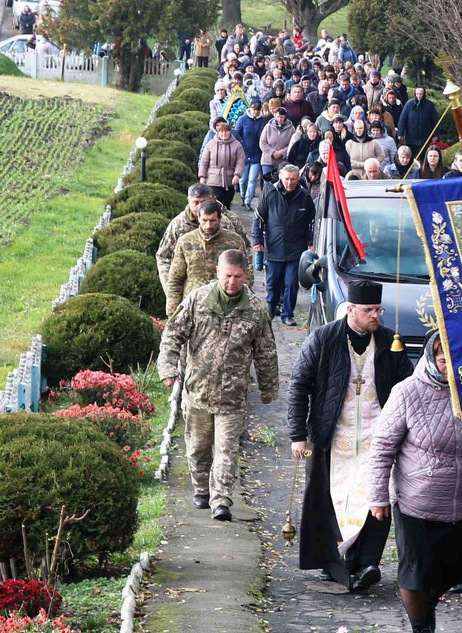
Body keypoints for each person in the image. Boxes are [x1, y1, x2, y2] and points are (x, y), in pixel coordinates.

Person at [366, 331, 462, 633]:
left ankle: (425, 608)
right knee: (414, 572)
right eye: (443, 357)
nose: (450, 365)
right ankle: (421, 630)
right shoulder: (407, 392)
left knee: (448, 571)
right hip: (415, 498)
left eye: (455, 357)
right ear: (432, 358)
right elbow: (382, 449)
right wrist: (377, 497)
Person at [288, 279, 409, 591]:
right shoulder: (323, 339)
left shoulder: (388, 342)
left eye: (378, 310)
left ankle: (367, 562)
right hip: (331, 434)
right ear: (351, 309)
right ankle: (335, 564)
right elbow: (299, 385)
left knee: (376, 496)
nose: (375, 315)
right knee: (331, 499)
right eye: (368, 310)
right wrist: (297, 434)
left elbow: (406, 386)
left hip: (376, 435)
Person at [159, 250, 279, 520]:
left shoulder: (256, 311)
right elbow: (173, 334)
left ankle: (221, 499)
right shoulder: (198, 300)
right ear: (217, 272)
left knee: (227, 449)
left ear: (245, 276)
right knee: (198, 448)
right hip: (198, 391)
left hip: (233, 396)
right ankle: (202, 489)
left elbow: (266, 352)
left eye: (237, 277)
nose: (232, 282)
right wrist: (168, 369)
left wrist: (268, 387)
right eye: (227, 276)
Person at [253, 164, 316, 326]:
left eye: (293, 179)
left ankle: (288, 313)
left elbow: (312, 222)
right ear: (281, 177)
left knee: (291, 283)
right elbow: (259, 218)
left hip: (296, 249)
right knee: (273, 282)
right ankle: (270, 307)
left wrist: (310, 242)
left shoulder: (304, 196)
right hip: (274, 247)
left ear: (298, 179)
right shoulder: (269, 192)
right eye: (287, 179)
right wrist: (257, 241)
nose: (289, 182)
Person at [163, 201, 245, 316]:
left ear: (220, 219)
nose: (208, 226)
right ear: (198, 218)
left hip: (225, 308)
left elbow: (245, 277)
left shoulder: (234, 241)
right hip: (193, 307)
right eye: (204, 220)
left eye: (212, 221)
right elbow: (176, 280)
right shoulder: (185, 242)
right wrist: (172, 313)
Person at [197, 119, 246, 209]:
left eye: (226, 131)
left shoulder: (237, 145)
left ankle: (226, 222)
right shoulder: (210, 144)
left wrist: (237, 175)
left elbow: (240, 161)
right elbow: (204, 162)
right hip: (213, 180)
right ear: (218, 132)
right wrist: (202, 177)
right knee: (218, 203)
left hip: (229, 180)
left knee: (226, 205)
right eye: (221, 132)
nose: (224, 134)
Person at [399, 84, 439, 152]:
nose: (419, 96)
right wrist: (400, 133)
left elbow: (435, 121)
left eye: (421, 94)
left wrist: (436, 135)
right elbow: (403, 119)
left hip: (425, 138)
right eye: (417, 94)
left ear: (424, 94)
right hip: (411, 138)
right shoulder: (409, 104)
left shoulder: (430, 105)